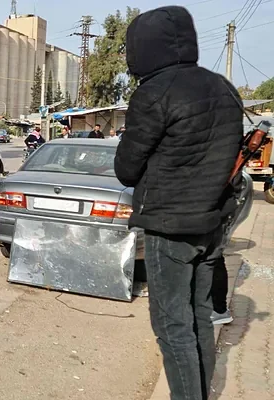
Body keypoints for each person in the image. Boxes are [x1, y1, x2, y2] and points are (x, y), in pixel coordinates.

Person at [114, 6, 243, 400]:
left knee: (172, 327)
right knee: (199, 317)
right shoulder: (223, 87)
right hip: (212, 223)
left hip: (169, 227)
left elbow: (127, 168)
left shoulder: (154, 93)